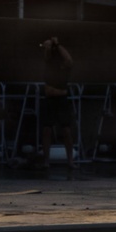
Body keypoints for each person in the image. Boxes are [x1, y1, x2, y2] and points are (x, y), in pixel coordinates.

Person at [38, 37, 75, 179]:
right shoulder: (49, 68)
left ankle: (70, 161)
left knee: (66, 130)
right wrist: (63, 91)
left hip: (61, 102)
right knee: (47, 130)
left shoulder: (63, 66)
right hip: (51, 101)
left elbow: (69, 60)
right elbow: (49, 91)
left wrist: (57, 44)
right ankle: (46, 161)